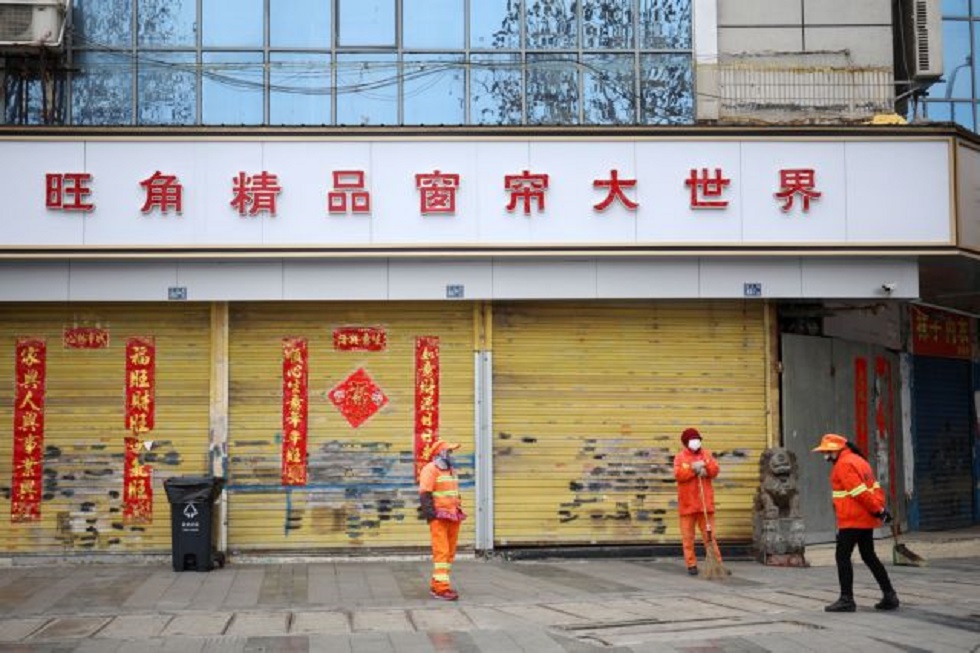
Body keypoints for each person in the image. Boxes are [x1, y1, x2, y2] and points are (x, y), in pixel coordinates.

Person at [812, 433, 899, 612]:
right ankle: (889, 595)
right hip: (865, 519)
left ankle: (847, 599)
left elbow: (859, 492)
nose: (825, 456)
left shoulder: (843, 465)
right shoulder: (860, 461)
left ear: (835, 450)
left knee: (842, 557)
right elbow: (875, 489)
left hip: (852, 519)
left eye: (826, 452)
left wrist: (879, 511)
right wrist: (879, 510)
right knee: (869, 556)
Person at [418, 440, 466, 600]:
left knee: (449, 553)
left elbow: (454, 492)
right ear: (441, 453)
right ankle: (441, 589)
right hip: (439, 518)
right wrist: (432, 516)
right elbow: (425, 494)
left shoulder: (451, 470)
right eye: (449, 452)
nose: (452, 455)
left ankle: (436, 584)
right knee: (442, 553)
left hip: (453, 516)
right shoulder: (430, 470)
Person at [673, 427, 723, 575]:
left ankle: (717, 563)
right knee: (688, 537)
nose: (695, 442)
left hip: (705, 505)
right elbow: (678, 474)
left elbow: (715, 470)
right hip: (687, 504)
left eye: (697, 439)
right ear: (686, 442)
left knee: (710, 536)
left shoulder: (706, 455)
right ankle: (691, 564)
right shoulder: (680, 457)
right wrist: (692, 470)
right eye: (692, 440)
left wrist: (705, 468)